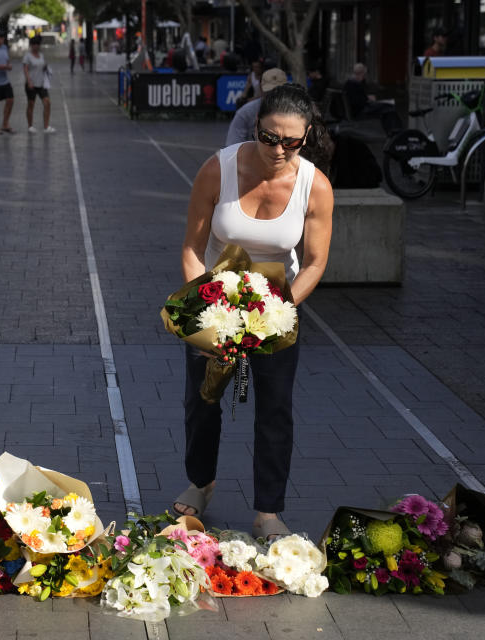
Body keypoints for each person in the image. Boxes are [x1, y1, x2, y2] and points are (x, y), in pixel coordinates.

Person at [174, 83, 334, 539]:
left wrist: (275, 312)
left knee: (275, 409)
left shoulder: (315, 186)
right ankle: (201, 482)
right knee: (201, 402)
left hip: (276, 308)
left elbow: (316, 261)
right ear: (256, 125)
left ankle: (268, 510)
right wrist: (208, 315)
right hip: (213, 301)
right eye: (268, 137)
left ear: (306, 137)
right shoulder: (217, 168)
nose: (278, 149)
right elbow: (192, 246)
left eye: (291, 141)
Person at [225, 68, 287, 147]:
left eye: (278, 92)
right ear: (261, 89)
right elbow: (232, 147)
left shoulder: (296, 112)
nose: (274, 96)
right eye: (269, 92)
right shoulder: (245, 113)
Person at [343, 62, 402, 134]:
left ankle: (392, 131)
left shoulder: (348, 83)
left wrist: (367, 97)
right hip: (360, 111)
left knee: (387, 108)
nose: (364, 77)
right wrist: (369, 99)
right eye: (364, 75)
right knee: (389, 107)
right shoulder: (355, 84)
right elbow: (359, 102)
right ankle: (396, 132)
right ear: (361, 74)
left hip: (357, 110)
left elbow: (356, 98)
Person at [23, 35, 54, 134]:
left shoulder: (41, 55)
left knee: (47, 103)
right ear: (31, 45)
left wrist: (46, 68)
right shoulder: (27, 56)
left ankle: (46, 126)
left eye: (38, 44)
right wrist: (29, 81)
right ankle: (30, 126)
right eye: (34, 44)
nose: (36, 46)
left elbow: (42, 66)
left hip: (41, 83)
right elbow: (26, 69)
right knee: (31, 104)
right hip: (31, 83)